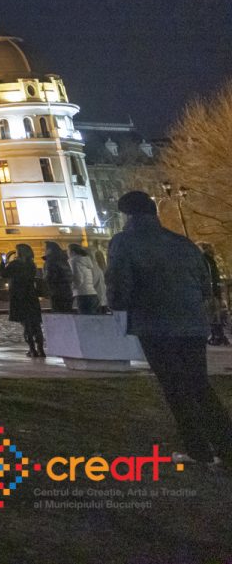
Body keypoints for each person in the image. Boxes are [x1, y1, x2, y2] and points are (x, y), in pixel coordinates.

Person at [107, 191, 232, 465]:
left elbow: (119, 284)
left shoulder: (124, 242)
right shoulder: (182, 243)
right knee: (199, 385)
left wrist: (117, 305)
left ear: (127, 215)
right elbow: (204, 284)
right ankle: (225, 444)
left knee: (175, 387)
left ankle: (198, 450)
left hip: (155, 323)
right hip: (192, 324)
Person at [1, 244, 45, 357]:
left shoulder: (15, 264)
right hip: (31, 295)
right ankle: (41, 349)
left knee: (26, 324)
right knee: (35, 323)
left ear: (19, 252)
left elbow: (4, 274)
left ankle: (32, 349)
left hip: (18, 296)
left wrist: (0, 265)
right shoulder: (31, 264)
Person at [201, 243, 228, 346]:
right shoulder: (211, 260)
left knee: (212, 314)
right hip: (215, 290)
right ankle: (218, 335)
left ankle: (216, 336)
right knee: (215, 314)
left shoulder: (204, 260)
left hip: (210, 291)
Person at [69, 243, 104, 314]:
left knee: (85, 317)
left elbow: (78, 280)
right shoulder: (92, 266)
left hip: (84, 295)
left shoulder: (75, 261)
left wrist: (71, 288)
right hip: (96, 297)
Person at [43, 241, 74, 312]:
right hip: (68, 292)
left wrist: (46, 289)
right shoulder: (65, 260)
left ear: (50, 250)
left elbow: (49, 277)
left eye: (45, 249)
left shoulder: (51, 261)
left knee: (58, 313)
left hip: (56, 293)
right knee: (67, 313)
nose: (45, 251)